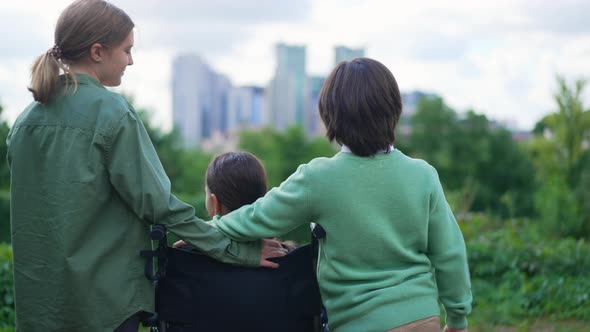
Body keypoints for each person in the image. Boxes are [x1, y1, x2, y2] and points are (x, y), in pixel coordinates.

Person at [7, 1, 285, 331]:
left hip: (38, 306)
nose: (131, 60)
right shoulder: (112, 113)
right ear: (98, 51)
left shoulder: (24, 123)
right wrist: (236, 251)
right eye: (126, 50)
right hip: (106, 305)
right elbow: (160, 206)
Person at [212, 58, 473, 332]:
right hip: (421, 318)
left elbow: (254, 218)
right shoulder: (423, 175)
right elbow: (450, 253)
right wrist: (457, 318)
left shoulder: (319, 178)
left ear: (329, 115)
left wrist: (204, 232)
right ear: (395, 109)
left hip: (357, 323)